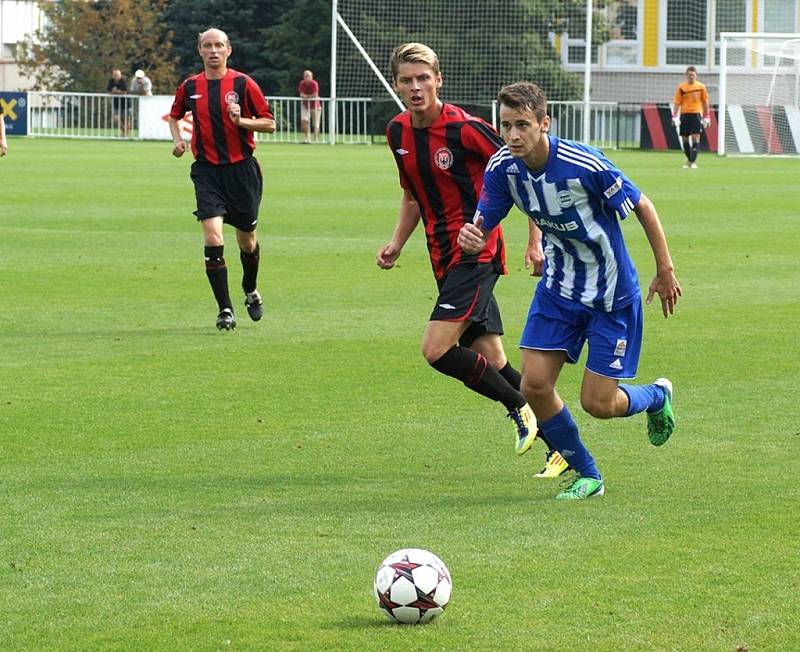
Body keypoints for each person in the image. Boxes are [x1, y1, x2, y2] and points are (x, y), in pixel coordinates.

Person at [458, 82, 682, 500]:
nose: (513, 136)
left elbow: (643, 206)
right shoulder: (503, 167)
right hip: (559, 289)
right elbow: (486, 213)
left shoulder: (584, 164)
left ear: (545, 123)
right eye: (506, 125)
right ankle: (588, 474)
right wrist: (476, 233)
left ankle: (656, 396)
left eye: (522, 125)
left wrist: (664, 270)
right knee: (534, 386)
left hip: (611, 294)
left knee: (599, 403)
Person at [377, 43, 568, 473]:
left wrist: (534, 241)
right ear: (397, 84)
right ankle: (562, 447)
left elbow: (522, 173)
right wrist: (396, 243)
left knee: (436, 349)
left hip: (478, 253)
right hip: (442, 258)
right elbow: (411, 194)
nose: (415, 86)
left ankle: (519, 407)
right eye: (407, 80)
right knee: (493, 359)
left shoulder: (466, 129)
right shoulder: (397, 132)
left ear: (438, 80)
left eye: (423, 78)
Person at [168, 28, 276, 330]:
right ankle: (225, 309)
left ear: (228, 50)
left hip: (242, 171)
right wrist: (178, 140)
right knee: (213, 237)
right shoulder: (190, 86)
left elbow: (270, 123)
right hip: (207, 171)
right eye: (207, 45)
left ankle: (250, 290)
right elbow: (175, 115)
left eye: (218, 45)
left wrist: (241, 121)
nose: (213, 50)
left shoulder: (243, 83)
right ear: (200, 51)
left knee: (246, 241)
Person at [671, 65, 710, 169]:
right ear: (686, 75)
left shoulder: (701, 87)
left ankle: (692, 161)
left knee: (696, 137)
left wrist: (707, 116)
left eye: (693, 75)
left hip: (696, 114)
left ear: (696, 75)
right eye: (689, 75)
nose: (691, 77)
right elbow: (677, 102)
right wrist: (675, 116)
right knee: (685, 138)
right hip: (684, 114)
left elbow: (705, 102)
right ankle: (690, 161)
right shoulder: (681, 87)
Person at [298, 70, 321, 143]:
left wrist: (306, 97)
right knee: (304, 120)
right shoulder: (302, 83)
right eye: (305, 76)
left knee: (316, 124)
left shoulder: (314, 83)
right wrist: (306, 97)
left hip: (315, 106)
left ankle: (316, 139)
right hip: (305, 105)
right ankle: (307, 138)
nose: (307, 78)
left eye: (308, 76)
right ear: (303, 77)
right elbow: (301, 94)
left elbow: (315, 94)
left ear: (312, 77)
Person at [107, 68, 129, 136]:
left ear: (120, 75)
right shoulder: (111, 81)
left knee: (125, 119)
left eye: (117, 75)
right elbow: (109, 91)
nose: (116, 76)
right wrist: (117, 92)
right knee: (116, 118)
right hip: (116, 103)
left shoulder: (123, 81)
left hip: (125, 103)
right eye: (114, 75)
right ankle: (124, 132)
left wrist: (115, 92)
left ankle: (125, 134)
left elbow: (124, 92)